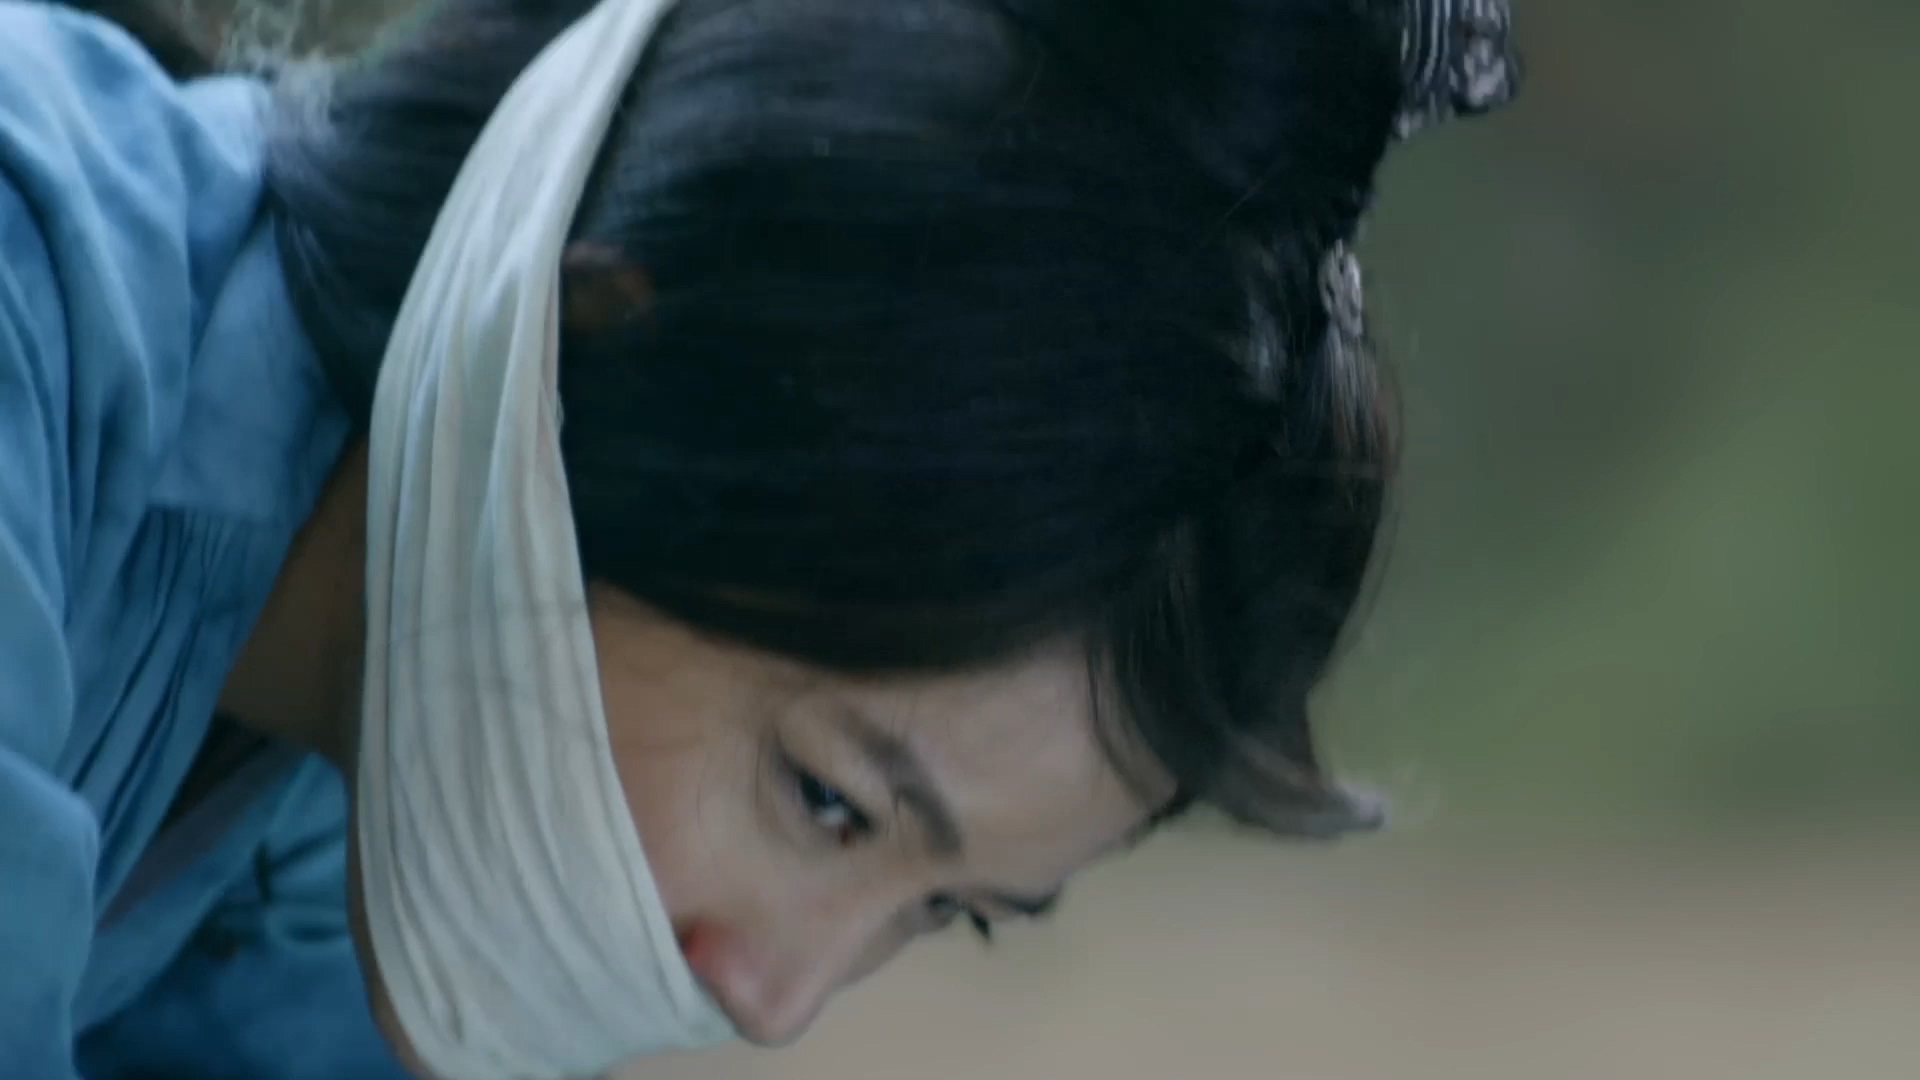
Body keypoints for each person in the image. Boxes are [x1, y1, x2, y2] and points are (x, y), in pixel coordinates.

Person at [0, 0, 1520, 1076]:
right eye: (829, 801)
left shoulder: (347, 766)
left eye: (944, 915)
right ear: (595, 355)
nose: (773, 1003)